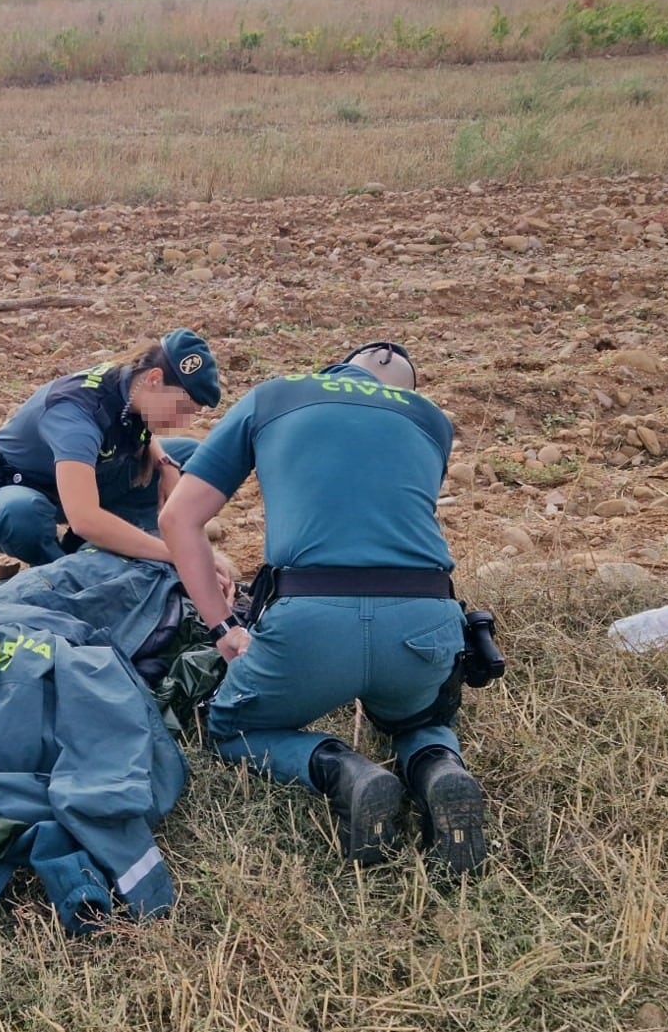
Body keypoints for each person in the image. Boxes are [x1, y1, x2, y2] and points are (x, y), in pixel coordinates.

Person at [158, 341, 488, 876]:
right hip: (422, 620)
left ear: (337, 369)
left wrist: (222, 625)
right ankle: (437, 766)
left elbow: (178, 520)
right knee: (421, 717)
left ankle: (342, 771)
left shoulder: (274, 398)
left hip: (309, 622)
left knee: (234, 727)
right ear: (402, 393)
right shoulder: (430, 419)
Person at [0, 328, 225, 572]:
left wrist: (166, 465)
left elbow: (135, 427)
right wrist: (180, 555)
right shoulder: (76, 415)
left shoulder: (130, 378)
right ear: (155, 379)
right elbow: (84, 517)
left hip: (77, 482)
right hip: (7, 493)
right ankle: (58, 572)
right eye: (182, 409)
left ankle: (102, 546)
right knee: (23, 513)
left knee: (192, 458)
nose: (184, 422)